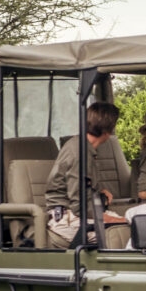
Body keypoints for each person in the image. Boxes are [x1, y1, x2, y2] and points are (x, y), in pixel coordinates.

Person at [45, 102, 123, 248]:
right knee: (119, 233)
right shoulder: (79, 153)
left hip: (76, 213)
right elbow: (79, 206)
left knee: (129, 225)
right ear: (107, 131)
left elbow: (81, 186)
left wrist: (99, 192)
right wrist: (110, 219)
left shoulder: (83, 146)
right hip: (67, 218)